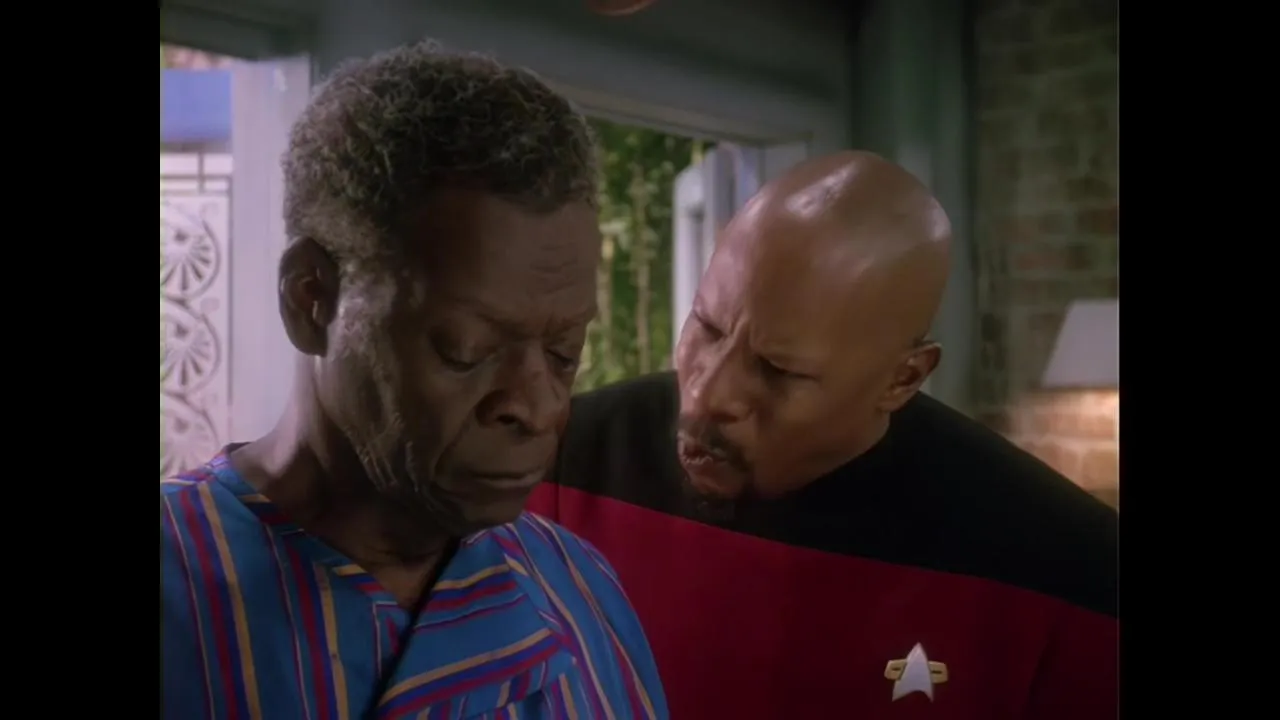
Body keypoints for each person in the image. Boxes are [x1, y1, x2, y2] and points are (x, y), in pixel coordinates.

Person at [160, 42, 668, 720]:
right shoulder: (177, 582)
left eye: (564, 352)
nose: (538, 407)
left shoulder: (582, 593)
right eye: (468, 350)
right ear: (313, 299)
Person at [528, 151, 1118, 718]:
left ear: (903, 379)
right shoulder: (554, 462)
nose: (709, 395)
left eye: (778, 370)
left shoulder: (1069, 576)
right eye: (707, 327)